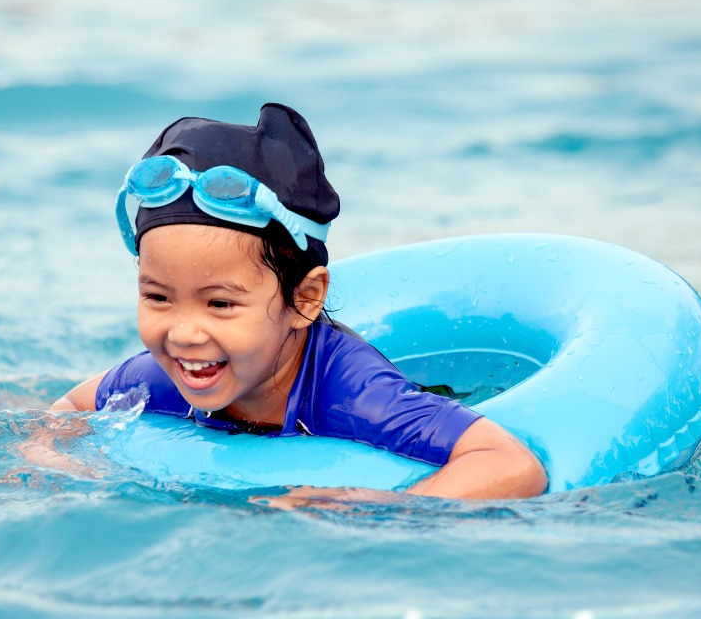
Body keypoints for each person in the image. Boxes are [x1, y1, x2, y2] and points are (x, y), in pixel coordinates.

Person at [50, 103, 547, 501]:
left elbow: (511, 464)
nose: (183, 333)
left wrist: (382, 505)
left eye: (220, 304)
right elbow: (71, 406)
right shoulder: (172, 374)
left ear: (304, 299)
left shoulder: (356, 395)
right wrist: (57, 463)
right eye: (158, 296)